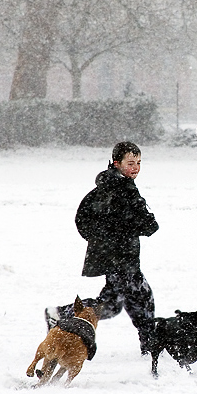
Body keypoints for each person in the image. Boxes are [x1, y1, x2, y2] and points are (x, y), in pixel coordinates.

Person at [44, 141, 159, 354]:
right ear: (117, 163)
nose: (136, 167)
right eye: (130, 163)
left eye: (139, 162)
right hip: (119, 257)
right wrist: (105, 240)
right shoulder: (115, 189)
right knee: (138, 298)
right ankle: (151, 346)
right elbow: (86, 218)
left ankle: (61, 314)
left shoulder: (122, 185)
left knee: (122, 302)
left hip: (122, 256)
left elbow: (141, 222)